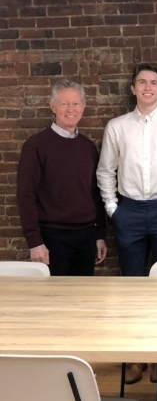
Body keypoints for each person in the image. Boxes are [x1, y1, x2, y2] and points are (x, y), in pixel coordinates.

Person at [96, 63, 157, 385]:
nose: (148, 88)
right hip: (130, 213)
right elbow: (105, 170)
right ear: (133, 89)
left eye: (154, 83)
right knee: (132, 287)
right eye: (142, 82)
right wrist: (113, 209)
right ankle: (136, 358)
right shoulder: (117, 126)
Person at [17, 78, 106, 276]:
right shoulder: (36, 146)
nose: (70, 109)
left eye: (75, 103)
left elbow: (94, 193)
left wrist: (99, 235)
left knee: (83, 297)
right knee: (54, 299)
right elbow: (26, 196)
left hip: (86, 235)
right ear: (53, 106)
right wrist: (35, 242)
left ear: (83, 107)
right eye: (64, 103)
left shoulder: (88, 147)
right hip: (52, 237)